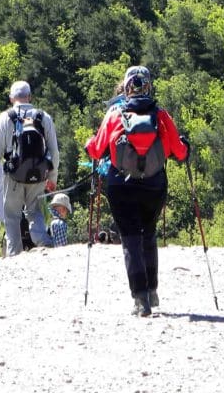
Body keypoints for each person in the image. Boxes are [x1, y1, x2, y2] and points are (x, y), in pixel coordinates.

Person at [85, 66, 188, 317]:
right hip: (154, 185)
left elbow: (96, 151)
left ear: (126, 87)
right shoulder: (161, 115)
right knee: (148, 234)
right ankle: (152, 290)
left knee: (130, 239)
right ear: (149, 86)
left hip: (121, 184)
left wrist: (89, 143)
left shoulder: (114, 113)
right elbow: (180, 153)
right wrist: (185, 144)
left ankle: (140, 299)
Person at [0, 80, 59, 256]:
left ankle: (14, 254)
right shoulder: (43, 117)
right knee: (35, 211)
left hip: (13, 175)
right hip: (38, 175)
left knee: (11, 217)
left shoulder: (5, 117)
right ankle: (44, 245)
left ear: (11, 98)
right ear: (29, 96)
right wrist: (52, 178)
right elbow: (54, 152)